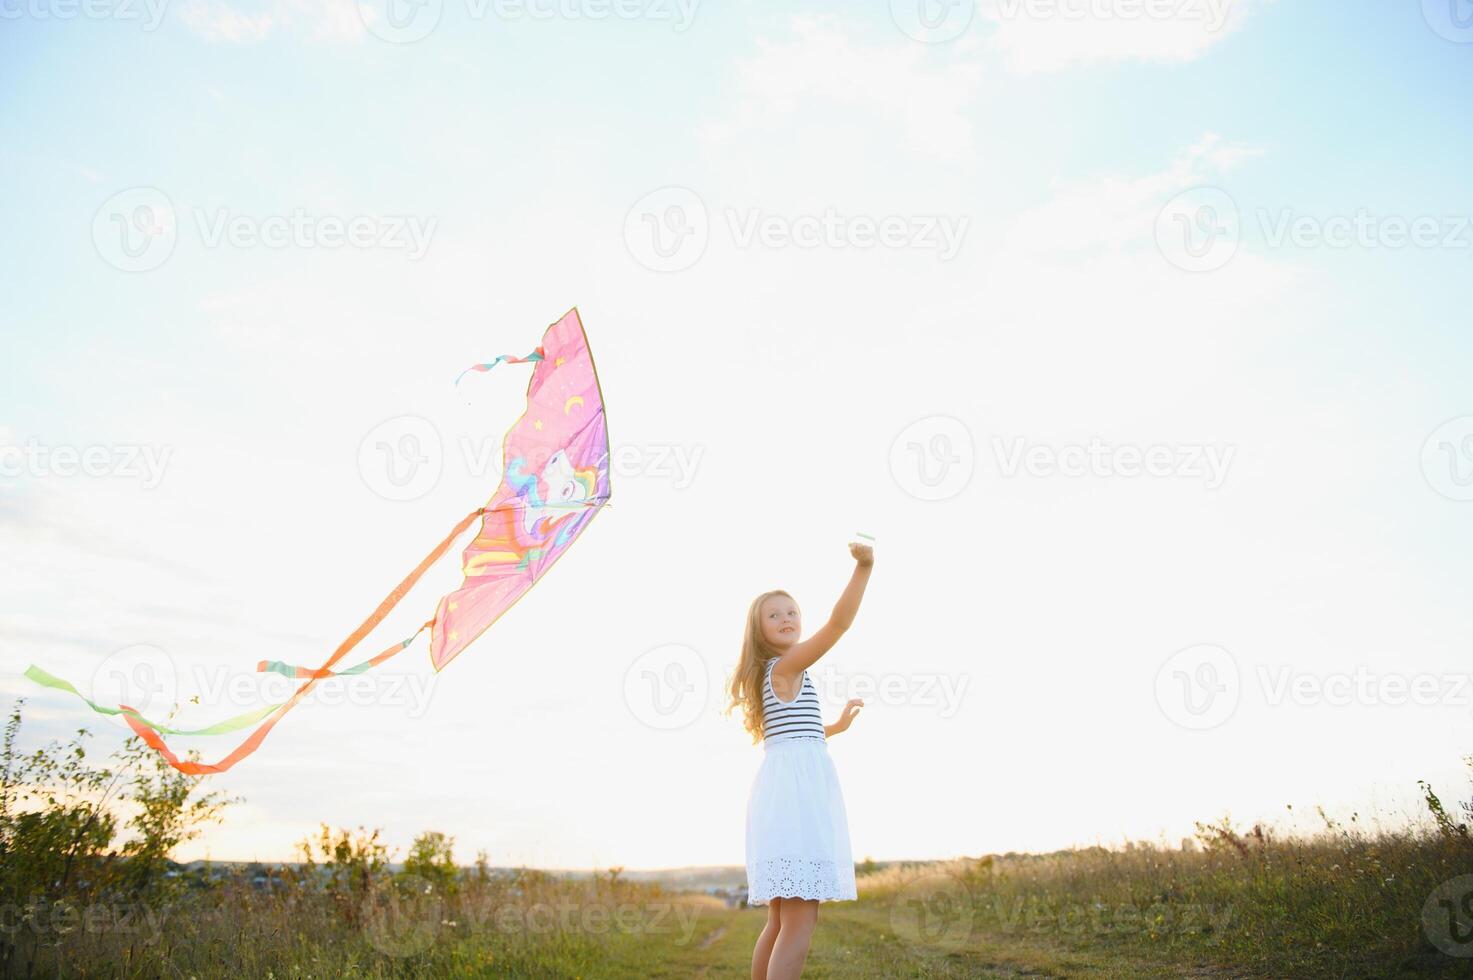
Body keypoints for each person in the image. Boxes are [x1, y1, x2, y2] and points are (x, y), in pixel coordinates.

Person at [725, 541, 873, 979]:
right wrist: (864, 568)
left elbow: (795, 733)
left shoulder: (777, 674)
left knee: (780, 919)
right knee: (800, 920)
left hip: (782, 798)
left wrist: (835, 728)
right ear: (759, 629)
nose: (787, 619)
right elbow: (839, 623)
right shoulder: (785, 667)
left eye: (792, 611)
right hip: (793, 803)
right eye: (775, 615)